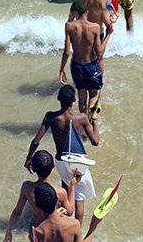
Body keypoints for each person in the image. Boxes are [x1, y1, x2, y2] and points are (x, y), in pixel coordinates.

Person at [24, 85, 99, 226]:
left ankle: (61, 223)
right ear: (74, 100)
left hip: (60, 161)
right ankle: (76, 231)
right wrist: (94, 122)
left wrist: (29, 158)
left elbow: (36, 141)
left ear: (58, 98)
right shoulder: (82, 118)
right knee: (79, 197)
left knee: (66, 192)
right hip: (78, 162)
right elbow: (95, 141)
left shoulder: (51, 117)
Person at [3, 150, 75, 242]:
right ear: (53, 165)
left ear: (33, 168)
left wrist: (8, 231)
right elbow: (69, 212)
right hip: (54, 228)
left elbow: (17, 212)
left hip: (37, 229)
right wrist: (72, 187)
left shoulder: (27, 187)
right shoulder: (60, 192)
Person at [59, 0, 111, 117]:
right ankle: (93, 123)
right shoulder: (95, 27)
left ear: (74, 13)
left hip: (77, 66)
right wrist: (108, 35)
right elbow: (99, 52)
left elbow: (67, 52)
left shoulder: (69, 26)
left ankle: (84, 125)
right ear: (87, 11)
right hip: (92, 66)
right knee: (93, 95)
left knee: (82, 98)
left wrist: (62, 69)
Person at [79, 0, 115, 84]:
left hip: (84, 32)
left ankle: (84, 78)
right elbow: (107, 20)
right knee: (99, 58)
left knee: (86, 57)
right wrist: (110, 25)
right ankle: (100, 79)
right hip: (97, 33)